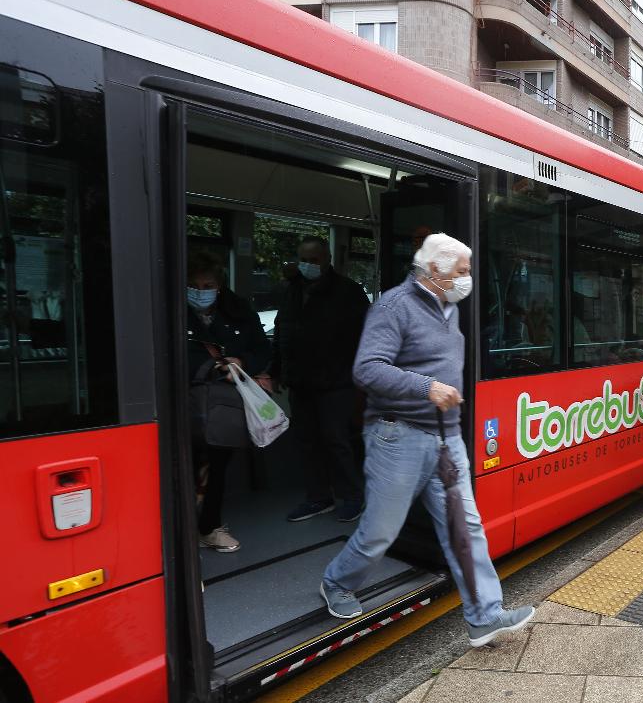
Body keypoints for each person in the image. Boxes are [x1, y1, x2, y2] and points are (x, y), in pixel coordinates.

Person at [320, 233, 534, 647]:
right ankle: (336, 582)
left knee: (466, 528)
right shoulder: (394, 307)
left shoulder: (448, 307)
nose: (468, 278)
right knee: (381, 531)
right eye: (462, 271)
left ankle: (485, 616)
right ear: (435, 270)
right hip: (396, 435)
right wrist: (426, 387)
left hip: (445, 437)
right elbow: (367, 369)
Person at [263, 237, 371, 524]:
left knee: (336, 440)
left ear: (328, 258)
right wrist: (276, 370)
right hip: (300, 380)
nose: (308, 265)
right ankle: (318, 496)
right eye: (304, 259)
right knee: (307, 441)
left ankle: (352, 496)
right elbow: (282, 331)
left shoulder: (348, 292)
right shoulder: (291, 291)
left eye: (314, 260)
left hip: (337, 381)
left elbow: (363, 338)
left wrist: (358, 378)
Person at [186, 251, 271, 553]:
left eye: (207, 284)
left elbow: (262, 349)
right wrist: (207, 367)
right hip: (186, 401)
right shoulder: (169, 309)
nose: (200, 290)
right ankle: (193, 526)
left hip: (225, 401)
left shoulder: (238, 311)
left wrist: (241, 361)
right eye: (193, 285)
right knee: (186, 465)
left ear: (218, 286)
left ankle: (208, 526)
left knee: (218, 463)